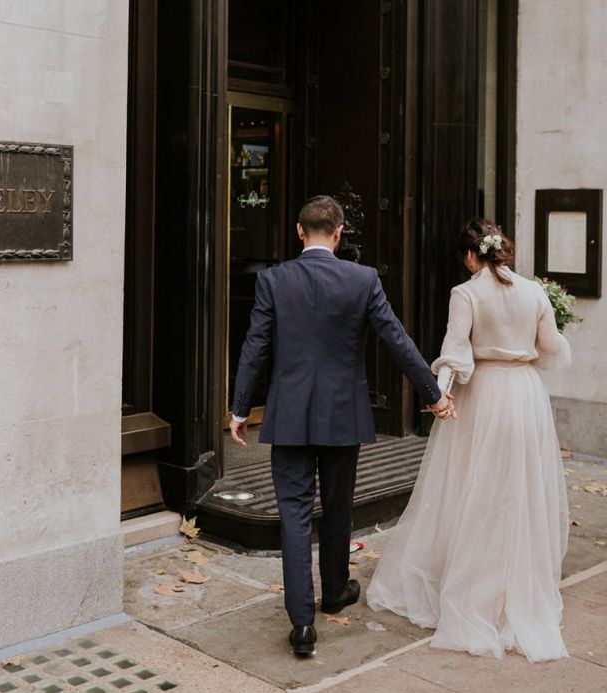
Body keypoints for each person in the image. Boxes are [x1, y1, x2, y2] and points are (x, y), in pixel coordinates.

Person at [229, 195, 453, 657]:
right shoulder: (362, 279)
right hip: (342, 415)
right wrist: (434, 394)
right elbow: (397, 339)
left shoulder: (273, 280)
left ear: (298, 230)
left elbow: (255, 346)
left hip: (288, 414)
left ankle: (302, 624)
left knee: (292, 515)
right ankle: (334, 591)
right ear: (338, 233)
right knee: (337, 507)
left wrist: (238, 409)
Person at [366, 217, 571, 663]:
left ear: (469, 256)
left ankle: (471, 588)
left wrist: (438, 394)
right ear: (505, 251)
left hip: (485, 397)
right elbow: (552, 348)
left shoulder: (467, 293)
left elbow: (456, 353)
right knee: (517, 488)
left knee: (471, 486)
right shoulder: (535, 292)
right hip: (526, 396)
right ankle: (513, 587)